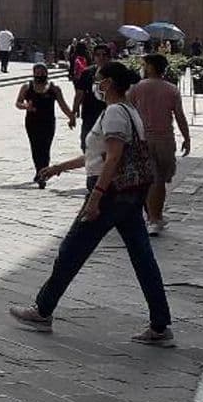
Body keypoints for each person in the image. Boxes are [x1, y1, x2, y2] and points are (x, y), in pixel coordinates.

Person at [11, 61, 172, 346]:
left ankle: (43, 309)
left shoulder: (113, 114)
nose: (95, 83)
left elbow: (112, 158)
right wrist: (59, 167)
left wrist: (95, 197)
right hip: (130, 193)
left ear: (108, 83)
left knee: (71, 250)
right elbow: (97, 156)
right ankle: (161, 324)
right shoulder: (130, 112)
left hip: (109, 194)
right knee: (143, 258)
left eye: (99, 79)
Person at [129, 54, 191, 236]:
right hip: (165, 140)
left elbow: (128, 111)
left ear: (150, 67)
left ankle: (153, 218)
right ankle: (155, 217)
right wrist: (187, 138)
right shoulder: (171, 89)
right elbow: (179, 115)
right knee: (160, 181)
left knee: (151, 180)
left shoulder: (137, 88)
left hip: (142, 138)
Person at [16, 63, 76, 187]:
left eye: (42, 72)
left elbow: (62, 104)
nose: (40, 75)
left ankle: (43, 173)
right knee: (36, 147)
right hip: (32, 122)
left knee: (45, 147)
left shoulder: (54, 88)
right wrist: (26, 106)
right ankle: (40, 171)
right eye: (37, 72)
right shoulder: (27, 87)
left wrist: (71, 116)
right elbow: (18, 102)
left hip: (48, 122)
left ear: (46, 73)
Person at [71, 43, 111, 150]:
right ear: (94, 57)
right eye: (98, 55)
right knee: (86, 145)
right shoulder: (87, 73)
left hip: (109, 115)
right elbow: (79, 94)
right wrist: (73, 113)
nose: (101, 58)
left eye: (104, 55)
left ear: (109, 57)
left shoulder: (115, 72)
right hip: (89, 114)